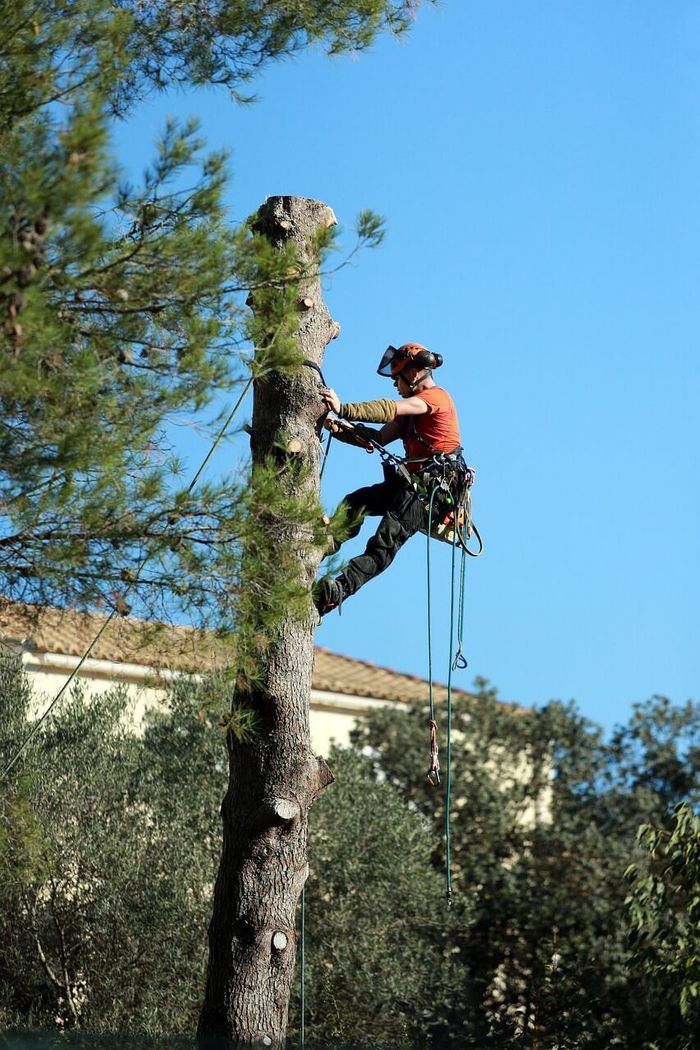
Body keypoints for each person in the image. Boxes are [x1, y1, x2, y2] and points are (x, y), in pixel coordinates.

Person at [314, 342, 462, 615]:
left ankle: (338, 591)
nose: (395, 385)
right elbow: (379, 437)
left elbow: (387, 409)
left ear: (414, 373)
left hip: (430, 492)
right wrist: (340, 428)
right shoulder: (411, 415)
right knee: (356, 502)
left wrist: (344, 408)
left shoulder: (434, 398)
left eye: (398, 378)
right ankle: (325, 542)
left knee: (384, 542)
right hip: (410, 485)